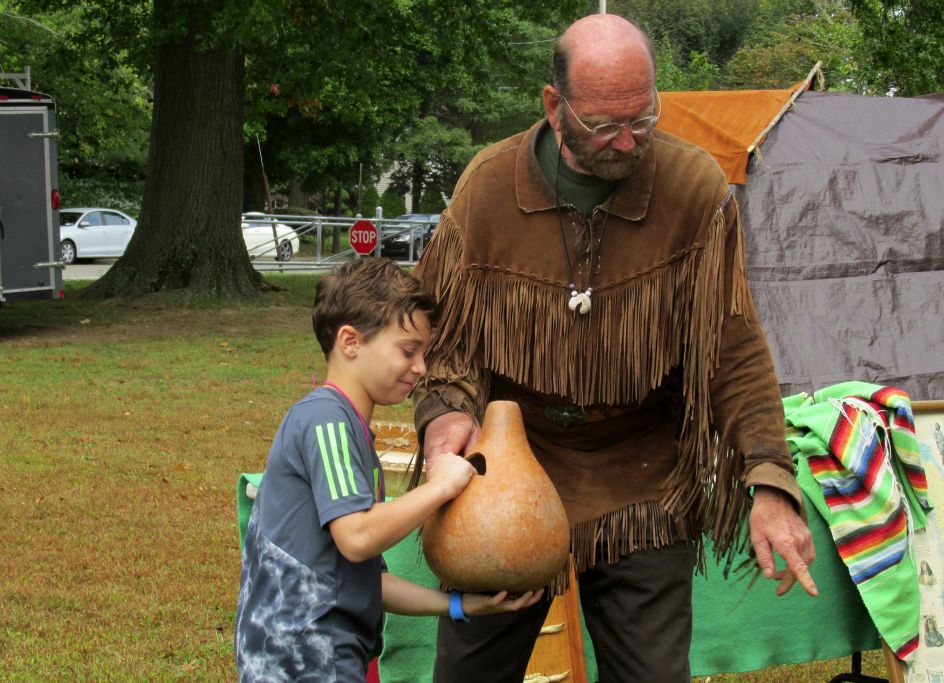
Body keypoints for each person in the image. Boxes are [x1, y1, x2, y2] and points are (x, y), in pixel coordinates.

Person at [411, 13, 816, 683]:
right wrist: (444, 415)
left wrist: (768, 478)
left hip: (642, 479)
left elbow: (732, 350)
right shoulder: (486, 188)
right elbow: (438, 336)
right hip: (506, 472)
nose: (628, 142)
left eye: (644, 118)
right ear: (554, 105)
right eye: (605, 125)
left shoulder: (693, 189)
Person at [235, 259, 541, 682]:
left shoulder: (349, 430)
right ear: (350, 341)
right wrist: (441, 486)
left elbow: (367, 583)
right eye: (407, 350)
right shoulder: (326, 421)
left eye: (424, 353)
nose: (421, 368)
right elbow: (358, 538)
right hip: (304, 657)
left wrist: (462, 606)